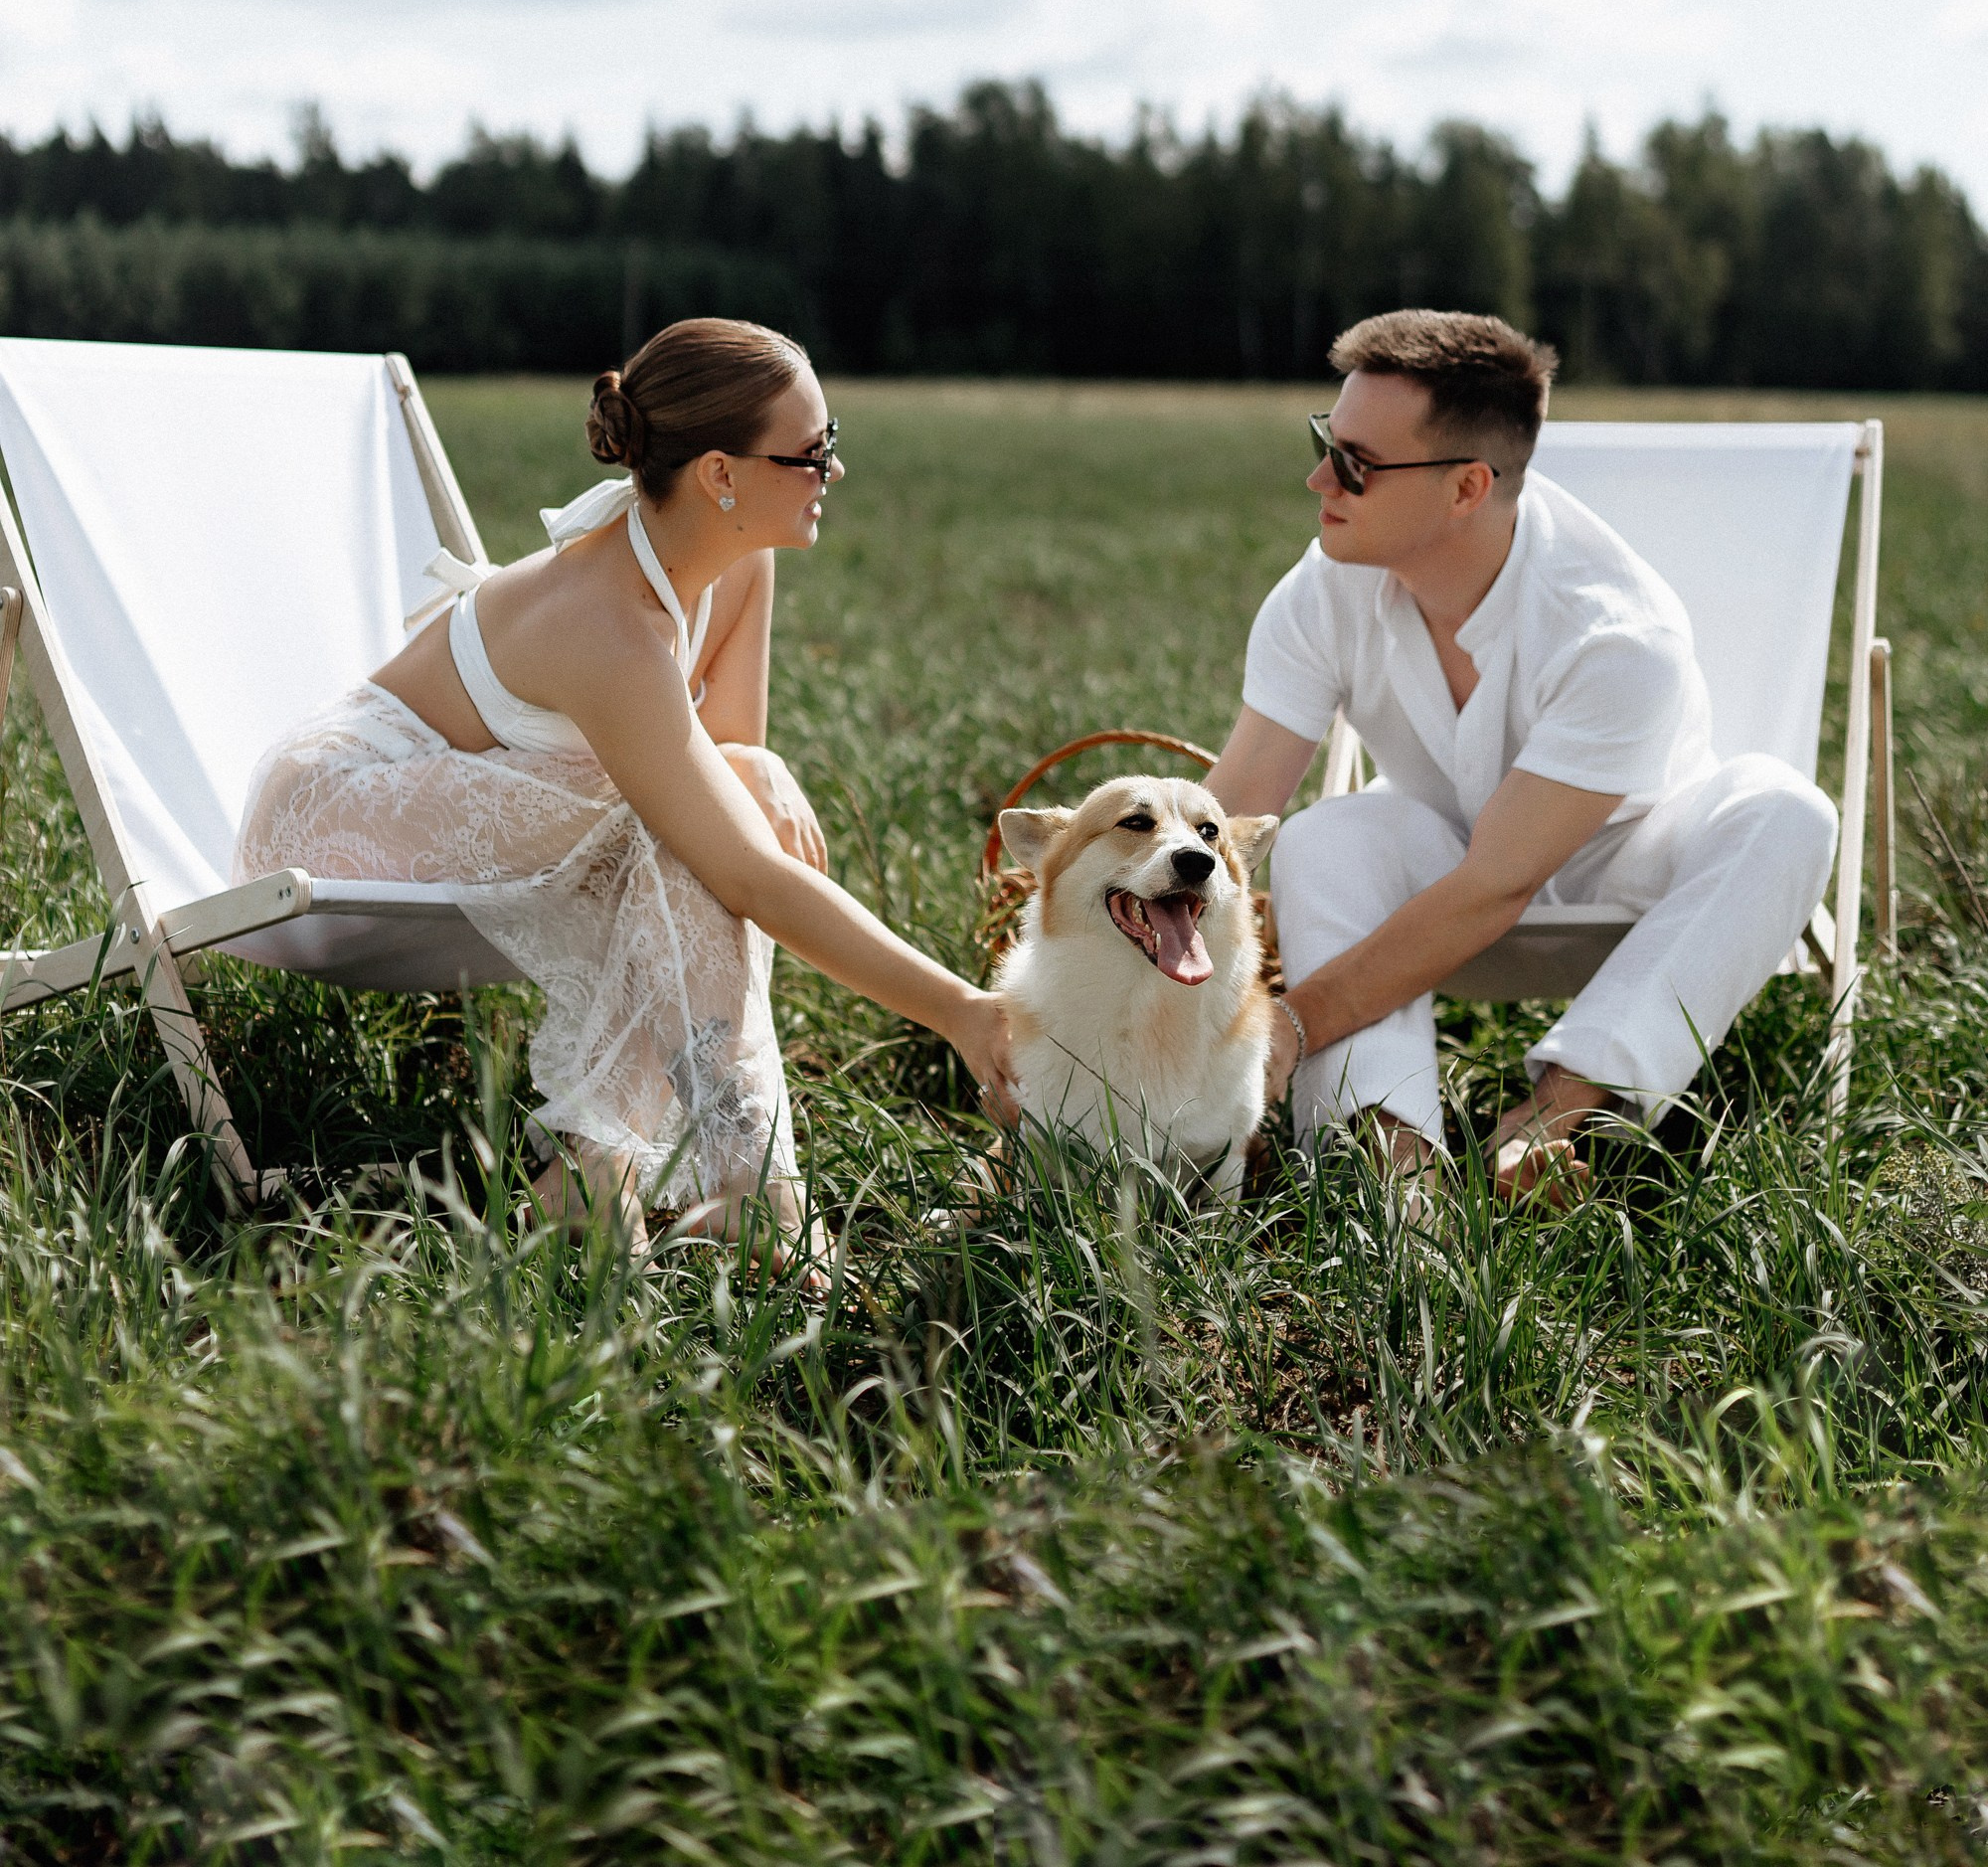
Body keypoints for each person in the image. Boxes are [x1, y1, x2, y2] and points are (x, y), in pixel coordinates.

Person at [236, 316, 1018, 1251]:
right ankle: (724, 1193)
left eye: (830, 444)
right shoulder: (607, 622)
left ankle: (620, 1178)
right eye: (811, 453)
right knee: (667, 828)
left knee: (699, 813)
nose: (833, 472)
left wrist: (756, 769)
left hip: (490, 798)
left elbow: (728, 770)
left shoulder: (739, 563)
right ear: (721, 476)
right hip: (337, 809)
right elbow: (743, 871)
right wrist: (960, 1013)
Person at [1202, 309, 1838, 1201]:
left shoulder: (1616, 634)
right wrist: (1103, 930)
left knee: (1788, 811)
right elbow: (1230, 816)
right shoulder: (1324, 587)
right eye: (1325, 440)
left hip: (1633, 861)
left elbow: (1496, 888)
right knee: (1323, 837)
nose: (1319, 479)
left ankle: (1553, 1117)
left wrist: (1291, 1026)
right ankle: (1392, 1177)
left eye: (1355, 463)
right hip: (1446, 852)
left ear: (1467, 488)